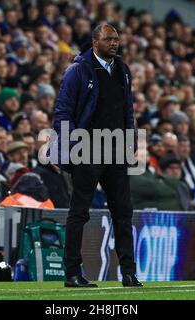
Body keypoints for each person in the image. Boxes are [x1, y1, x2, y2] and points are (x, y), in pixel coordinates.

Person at [53, 24, 141, 288]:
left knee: (123, 213)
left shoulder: (122, 70)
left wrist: (131, 141)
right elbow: (62, 112)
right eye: (108, 39)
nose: (114, 43)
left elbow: (128, 109)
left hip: (115, 149)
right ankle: (71, 273)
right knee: (79, 212)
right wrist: (70, 146)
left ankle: (128, 273)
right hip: (87, 148)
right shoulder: (78, 70)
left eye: (116, 39)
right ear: (94, 41)